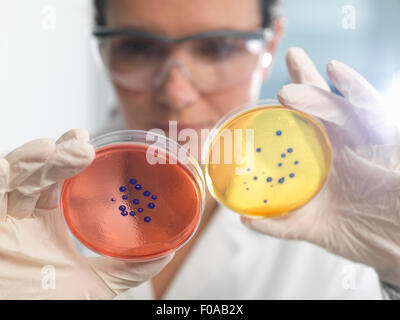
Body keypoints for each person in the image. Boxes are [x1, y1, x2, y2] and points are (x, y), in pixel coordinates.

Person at [0, 0, 399, 300]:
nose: (177, 94)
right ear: (101, 47)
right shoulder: (21, 220)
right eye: (139, 48)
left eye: (218, 48)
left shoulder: (345, 216)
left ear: (271, 42)